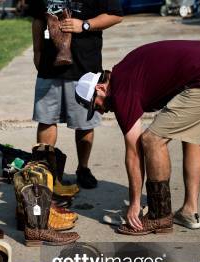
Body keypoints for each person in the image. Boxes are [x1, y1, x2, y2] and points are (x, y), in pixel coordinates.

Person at [75, 40, 200, 235]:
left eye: (95, 106)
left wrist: (134, 204)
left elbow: (134, 153)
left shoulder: (121, 90)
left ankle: (159, 216)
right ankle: (190, 212)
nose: (101, 111)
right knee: (191, 135)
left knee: (152, 140)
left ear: (100, 88)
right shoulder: (125, 70)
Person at [29, 0, 122, 189]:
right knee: (46, 119)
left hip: (84, 69)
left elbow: (115, 15)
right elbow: (38, 19)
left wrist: (85, 25)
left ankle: (83, 168)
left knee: (84, 124)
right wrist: (37, 51)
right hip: (49, 67)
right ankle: (46, 172)